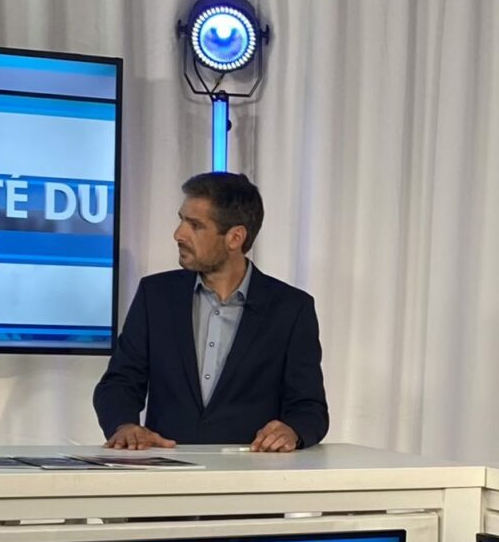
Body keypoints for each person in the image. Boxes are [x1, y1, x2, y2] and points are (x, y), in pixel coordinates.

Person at [93, 171, 328, 451]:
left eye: (195, 225)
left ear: (235, 237)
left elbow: (309, 407)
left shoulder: (291, 308)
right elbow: (120, 382)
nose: (178, 234)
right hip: (167, 467)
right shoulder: (155, 296)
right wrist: (124, 426)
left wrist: (292, 431)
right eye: (181, 220)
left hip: (249, 472)